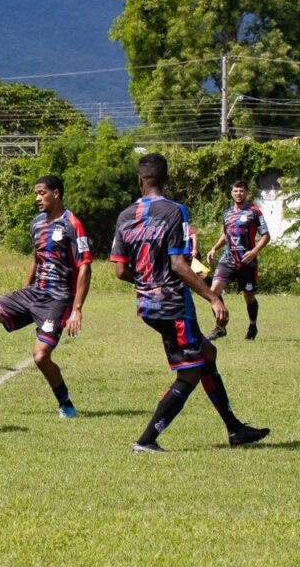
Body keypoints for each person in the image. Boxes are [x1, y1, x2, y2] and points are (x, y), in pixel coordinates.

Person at [111, 154, 269, 452]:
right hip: (172, 306)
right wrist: (213, 296)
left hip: (147, 305)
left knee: (207, 352)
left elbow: (120, 271)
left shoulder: (124, 216)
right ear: (166, 179)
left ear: (139, 180)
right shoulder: (175, 211)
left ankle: (235, 429)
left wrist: (147, 284)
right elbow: (179, 264)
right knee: (190, 372)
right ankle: (146, 440)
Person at [0, 176, 91, 419]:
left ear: (56, 194)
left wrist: (77, 309)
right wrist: (24, 290)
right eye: (36, 193)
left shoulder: (71, 224)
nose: (37, 198)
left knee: (41, 356)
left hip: (57, 299)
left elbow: (85, 266)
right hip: (33, 293)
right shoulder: (36, 223)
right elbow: (37, 257)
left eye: (42, 193)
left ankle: (65, 402)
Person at [205, 180, 270, 341]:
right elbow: (226, 234)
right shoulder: (227, 213)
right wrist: (214, 248)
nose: (238, 193)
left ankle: (252, 326)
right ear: (231, 193)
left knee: (249, 297)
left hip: (247, 262)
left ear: (247, 192)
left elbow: (266, 236)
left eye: (241, 191)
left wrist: (254, 251)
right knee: (213, 292)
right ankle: (220, 327)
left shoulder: (255, 212)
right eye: (235, 191)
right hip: (228, 259)